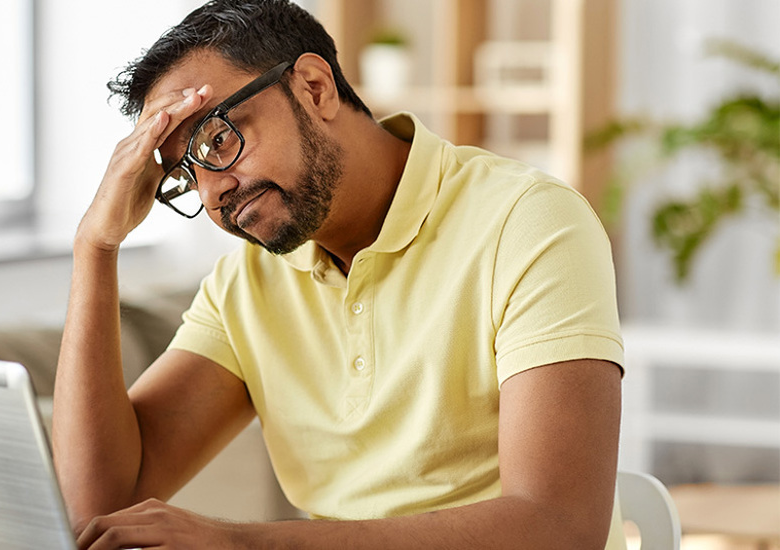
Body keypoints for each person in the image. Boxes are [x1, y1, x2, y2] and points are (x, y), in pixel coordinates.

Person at [52, 1, 627, 548]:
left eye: (219, 139)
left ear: (313, 87)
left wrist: (242, 543)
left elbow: (558, 526)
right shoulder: (246, 285)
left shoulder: (528, 222)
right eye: (184, 174)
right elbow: (99, 502)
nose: (213, 192)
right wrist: (95, 245)